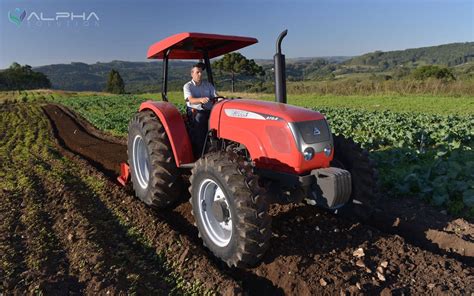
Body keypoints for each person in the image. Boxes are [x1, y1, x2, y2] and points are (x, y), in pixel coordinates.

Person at [183, 62, 218, 157]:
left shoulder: (208, 85)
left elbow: (216, 96)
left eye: (201, 72)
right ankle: (200, 152)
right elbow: (190, 99)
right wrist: (200, 100)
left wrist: (222, 99)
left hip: (210, 111)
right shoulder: (188, 86)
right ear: (192, 74)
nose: (200, 74)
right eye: (197, 72)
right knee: (200, 119)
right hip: (195, 111)